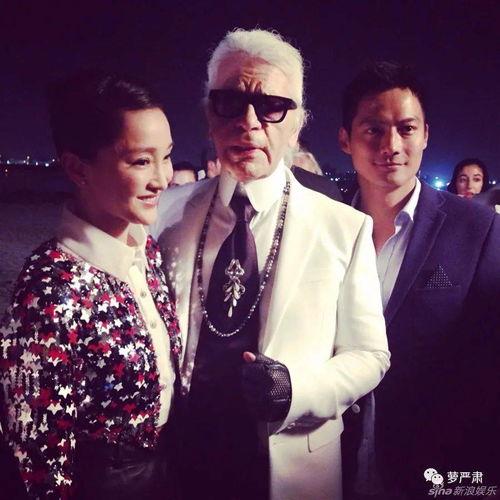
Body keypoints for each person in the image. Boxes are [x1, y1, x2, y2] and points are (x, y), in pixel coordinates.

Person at [151, 28, 389, 500]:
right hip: (181, 462)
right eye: (229, 102)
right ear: (208, 114)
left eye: (271, 107)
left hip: (291, 466)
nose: (249, 123)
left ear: (296, 124)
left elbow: (370, 355)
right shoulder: (165, 214)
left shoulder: (343, 228)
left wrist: (297, 389)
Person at [0, 72, 182, 499]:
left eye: (167, 156)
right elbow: (38, 453)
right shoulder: (50, 287)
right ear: (77, 168)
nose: (163, 178)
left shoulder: (146, 250)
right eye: (141, 161)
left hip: (170, 472)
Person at [338, 61, 500, 498]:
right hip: (332, 464)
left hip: (433, 465)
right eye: (373, 129)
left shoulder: (477, 230)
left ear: (425, 134)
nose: (391, 145)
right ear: (345, 139)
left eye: (406, 129)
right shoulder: (325, 228)